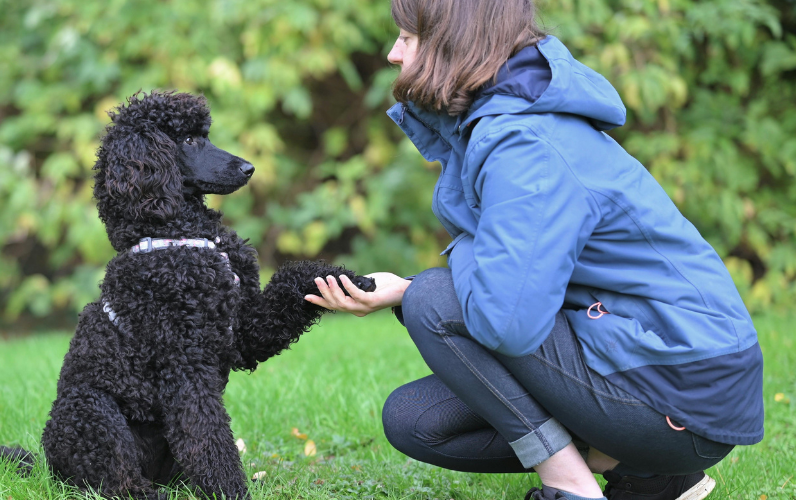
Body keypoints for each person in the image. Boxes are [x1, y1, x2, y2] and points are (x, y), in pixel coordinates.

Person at [303, 0, 764, 499]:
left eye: (407, 37)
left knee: (434, 303)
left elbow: (506, 323)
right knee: (417, 420)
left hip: (683, 389)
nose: (393, 53)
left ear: (452, 40)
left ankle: (570, 486)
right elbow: (523, 277)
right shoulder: (504, 123)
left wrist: (434, 276)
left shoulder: (525, 143)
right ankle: (650, 475)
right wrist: (406, 287)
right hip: (655, 365)